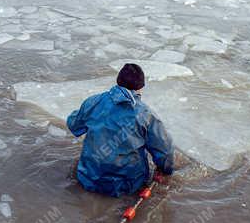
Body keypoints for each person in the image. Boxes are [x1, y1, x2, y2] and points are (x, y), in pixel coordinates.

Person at [66, 63, 175, 197]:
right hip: (127, 186)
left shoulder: (92, 102)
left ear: (118, 81)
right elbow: (165, 151)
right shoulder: (145, 115)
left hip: (87, 178)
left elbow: (73, 125)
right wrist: (165, 170)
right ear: (141, 88)